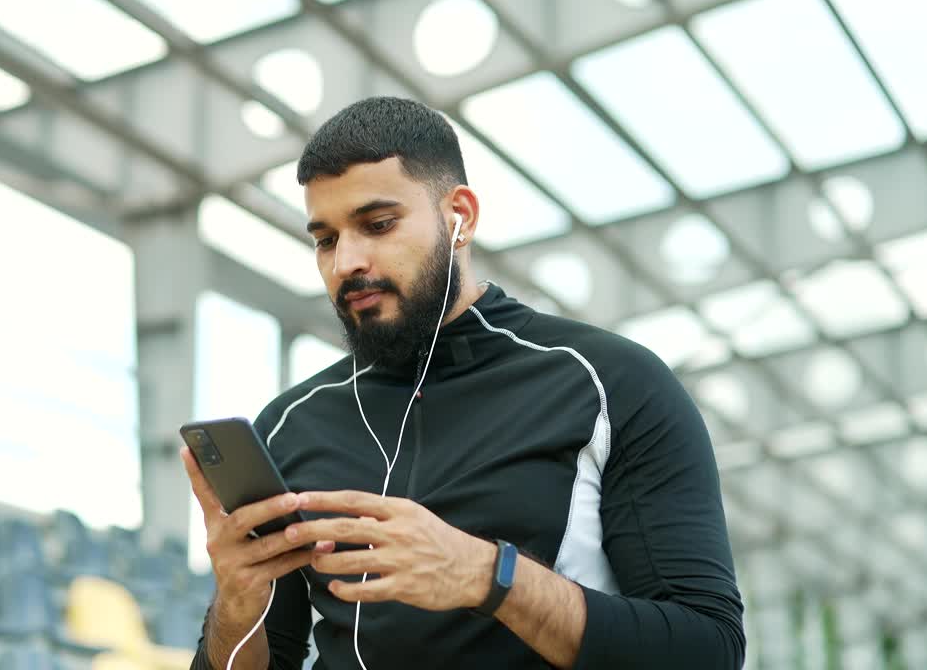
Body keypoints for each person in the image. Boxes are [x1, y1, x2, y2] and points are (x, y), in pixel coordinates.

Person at [183, 96, 745, 669]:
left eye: (378, 225)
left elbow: (708, 648)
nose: (346, 261)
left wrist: (486, 575)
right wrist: (237, 600)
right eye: (325, 239)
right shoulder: (288, 425)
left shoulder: (610, 382)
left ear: (462, 218)